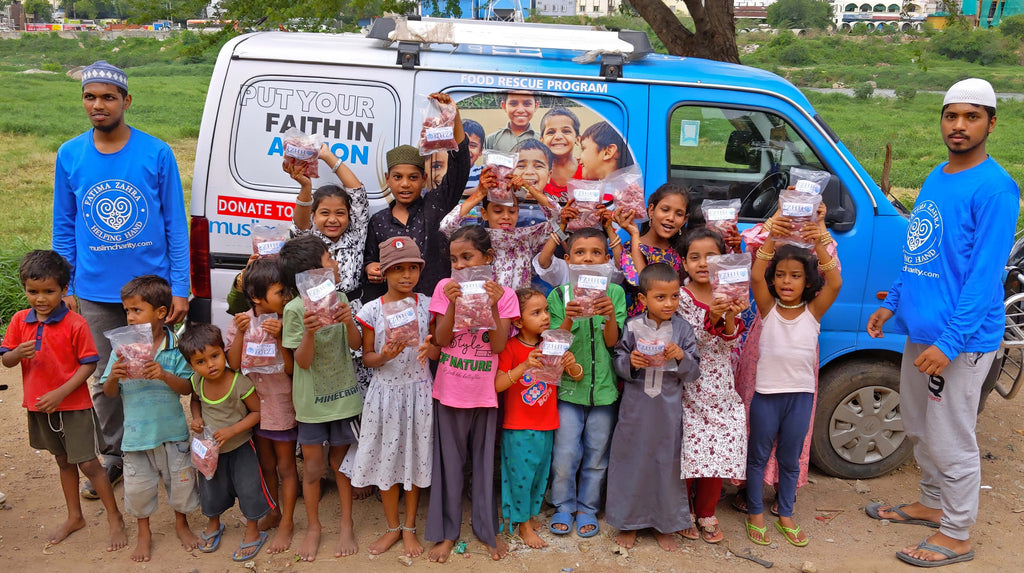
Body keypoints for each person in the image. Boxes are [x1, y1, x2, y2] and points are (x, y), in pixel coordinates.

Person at [865, 78, 1019, 568]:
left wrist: (951, 342)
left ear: (991, 123)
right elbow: (921, 252)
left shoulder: (995, 189)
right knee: (918, 425)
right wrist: (895, 301)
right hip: (922, 332)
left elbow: (983, 277)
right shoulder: (937, 176)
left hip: (963, 339)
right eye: (951, 115)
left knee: (952, 436)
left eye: (971, 116)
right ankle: (931, 504)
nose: (958, 125)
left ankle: (957, 532)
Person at [52, 60, 189, 497]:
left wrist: (179, 287)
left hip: (150, 293)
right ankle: (117, 453)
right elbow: (65, 224)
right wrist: (67, 286)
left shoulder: (156, 153)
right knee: (105, 378)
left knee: (155, 370)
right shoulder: (70, 154)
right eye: (90, 97)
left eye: (108, 97)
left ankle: (164, 448)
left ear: (126, 101)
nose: (98, 105)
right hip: (93, 291)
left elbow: (174, 223)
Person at [0, 250, 128, 551]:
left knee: (89, 463)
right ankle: (75, 516)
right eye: (33, 291)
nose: (40, 299)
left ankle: (115, 517)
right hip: (40, 406)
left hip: (73, 407)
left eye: (49, 291)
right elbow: (6, 359)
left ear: (64, 290)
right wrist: (17, 354)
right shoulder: (20, 321)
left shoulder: (75, 324)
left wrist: (61, 392)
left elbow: (88, 365)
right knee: (62, 460)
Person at [745, 212, 842, 549]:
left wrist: (818, 240)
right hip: (766, 397)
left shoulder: (814, 312)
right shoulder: (767, 308)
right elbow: (757, 274)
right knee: (757, 456)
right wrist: (773, 234)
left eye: (796, 276)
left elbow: (835, 283)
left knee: (789, 458)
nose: (787, 281)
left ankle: (785, 512)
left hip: (800, 399)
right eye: (782, 276)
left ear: (807, 281)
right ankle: (755, 511)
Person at [426, 225, 518, 563]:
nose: (461, 267)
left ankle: (486, 530)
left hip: (485, 392)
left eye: (468, 258)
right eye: (454, 260)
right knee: (449, 466)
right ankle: (447, 533)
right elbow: (441, 340)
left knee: (483, 465)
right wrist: (451, 306)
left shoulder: (504, 295)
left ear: (488, 258)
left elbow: (496, 345)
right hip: (450, 389)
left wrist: (492, 306)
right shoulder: (444, 288)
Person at [100, 275, 200, 562]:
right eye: (127, 310)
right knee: (138, 488)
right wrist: (115, 376)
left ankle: (182, 523)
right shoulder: (122, 350)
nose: (130, 317)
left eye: (136, 310)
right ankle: (144, 532)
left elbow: (189, 387)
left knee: (180, 483)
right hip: (136, 437)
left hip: (172, 432)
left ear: (161, 313)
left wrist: (164, 375)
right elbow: (108, 392)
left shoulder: (176, 347)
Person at [350, 237, 436, 558]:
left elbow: (437, 346)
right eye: (398, 269)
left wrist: (433, 348)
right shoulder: (372, 309)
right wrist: (384, 355)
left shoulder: (426, 305)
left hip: (418, 393)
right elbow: (366, 357)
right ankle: (391, 527)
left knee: (412, 460)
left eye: (413, 268)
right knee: (388, 461)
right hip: (385, 396)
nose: (406, 276)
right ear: (384, 272)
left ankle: (410, 527)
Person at [279, 234, 363, 562]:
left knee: (341, 465)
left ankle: (346, 523)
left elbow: (355, 345)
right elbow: (301, 361)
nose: (336, 263)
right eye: (330, 258)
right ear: (313, 272)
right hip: (311, 406)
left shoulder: (341, 298)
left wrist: (347, 321)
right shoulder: (294, 309)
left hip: (344, 400)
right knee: (312, 468)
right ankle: (313, 526)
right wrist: (311, 332)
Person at [607, 263, 701, 550]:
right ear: (644, 298)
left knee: (666, 466)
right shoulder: (633, 326)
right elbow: (618, 359)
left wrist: (682, 356)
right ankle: (628, 523)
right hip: (635, 410)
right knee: (631, 463)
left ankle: (665, 524)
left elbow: (695, 372)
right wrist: (630, 363)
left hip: (668, 412)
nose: (669, 303)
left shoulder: (683, 329)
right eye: (660, 297)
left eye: (674, 296)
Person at [547, 227, 627, 538]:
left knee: (597, 454)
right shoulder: (558, 296)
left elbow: (612, 343)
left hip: (604, 392)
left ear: (607, 260)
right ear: (567, 260)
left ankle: (588, 507)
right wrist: (568, 317)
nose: (588, 258)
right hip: (568, 391)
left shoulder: (615, 293)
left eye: (596, 253)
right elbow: (555, 344)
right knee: (565, 453)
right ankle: (563, 505)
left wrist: (608, 315)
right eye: (580, 253)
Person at [676, 229, 748, 544]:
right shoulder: (678, 296)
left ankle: (706, 511)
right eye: (695, 257)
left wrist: (729, 317)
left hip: (721, 384)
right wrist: (712, 319)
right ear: (683, 262)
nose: (703, 263)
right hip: (689, 383)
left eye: (711, 257)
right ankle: (683, 511)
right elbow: (691, 345)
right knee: (689, 451)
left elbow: (731, 340)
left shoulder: (728, 290)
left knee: (717, 450)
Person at [496, 288, 582, 548]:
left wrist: (571, 363)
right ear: (518, 321)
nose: (545, 316)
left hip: (547, 424)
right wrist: (523, 366)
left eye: (546, 310)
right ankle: (522, 525)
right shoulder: (510, 347)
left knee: (539, 476)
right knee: (520, 476)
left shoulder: (551, 345)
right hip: (519, 428)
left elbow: (575, 375)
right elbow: (497, 385)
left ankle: (529, 516)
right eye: (536, 312)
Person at [364, 93, 471, 301]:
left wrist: (453, 116)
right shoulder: (378, 221)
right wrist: (371, 267)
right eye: (398, 177)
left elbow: (460, 165)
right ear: (388, 179)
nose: (405, 184)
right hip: (395, 312)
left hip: (435, 306)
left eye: (413, 177)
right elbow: (370, 258)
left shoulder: (437, 205)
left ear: (423, 179)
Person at [224, 259, 298, 555]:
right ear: (256, 297)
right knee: (266, 466)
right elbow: (232, 364)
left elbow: (292, 368)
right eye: (280, 292)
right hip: (254, 409)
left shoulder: (287, 320)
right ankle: (274, 510)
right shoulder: (240, 321)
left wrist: (281, 338)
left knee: (286, 467)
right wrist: (241, 333)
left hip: (281, 406)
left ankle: (288, 523)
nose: (286, 298)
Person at [182, 323, 272, 562]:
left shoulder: (238, 382)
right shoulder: (197, 382)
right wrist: (197, 418)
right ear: (191, 366)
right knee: (211, 488)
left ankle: (253, 529)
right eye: (200, 362)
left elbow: (257, 412)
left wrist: (233, 430)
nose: (210, 365)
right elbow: (195, 400)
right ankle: (214, 523)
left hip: (241, 447)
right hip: (211, 452)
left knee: (249, 488)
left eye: (215, 356)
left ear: (224, 352)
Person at [438, 139, 559, 289]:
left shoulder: (528, 237)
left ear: (518, 211)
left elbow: (557, 218)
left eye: (512, 211)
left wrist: (529, 188)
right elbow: (446, 226)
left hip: (517, 309)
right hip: (482, 308)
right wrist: (479, 193)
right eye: (497, 210)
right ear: (484, 213)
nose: (506, 216)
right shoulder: (475, 238)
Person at [614, 183, 689, 316]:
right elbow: (642, 282)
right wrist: (634, 235)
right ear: (651, 210)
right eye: (665, 210)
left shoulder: (680, 254)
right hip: (639, 326)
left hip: (670, 326)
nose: (671, 218)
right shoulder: (630, 248)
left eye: (679, 214)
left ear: (684, 220)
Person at [539, 107, 581, 198]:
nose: (558, 137)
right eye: (551, 132)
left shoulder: (588, 172)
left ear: (577, 139)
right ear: (541, 141)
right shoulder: (536, 172)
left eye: (566, 131)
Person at [462, 119, 486, 190]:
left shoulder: (483, 174)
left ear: (481, 150)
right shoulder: (444, 173)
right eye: (461, 144)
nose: (466, 150)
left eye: (472, 145)